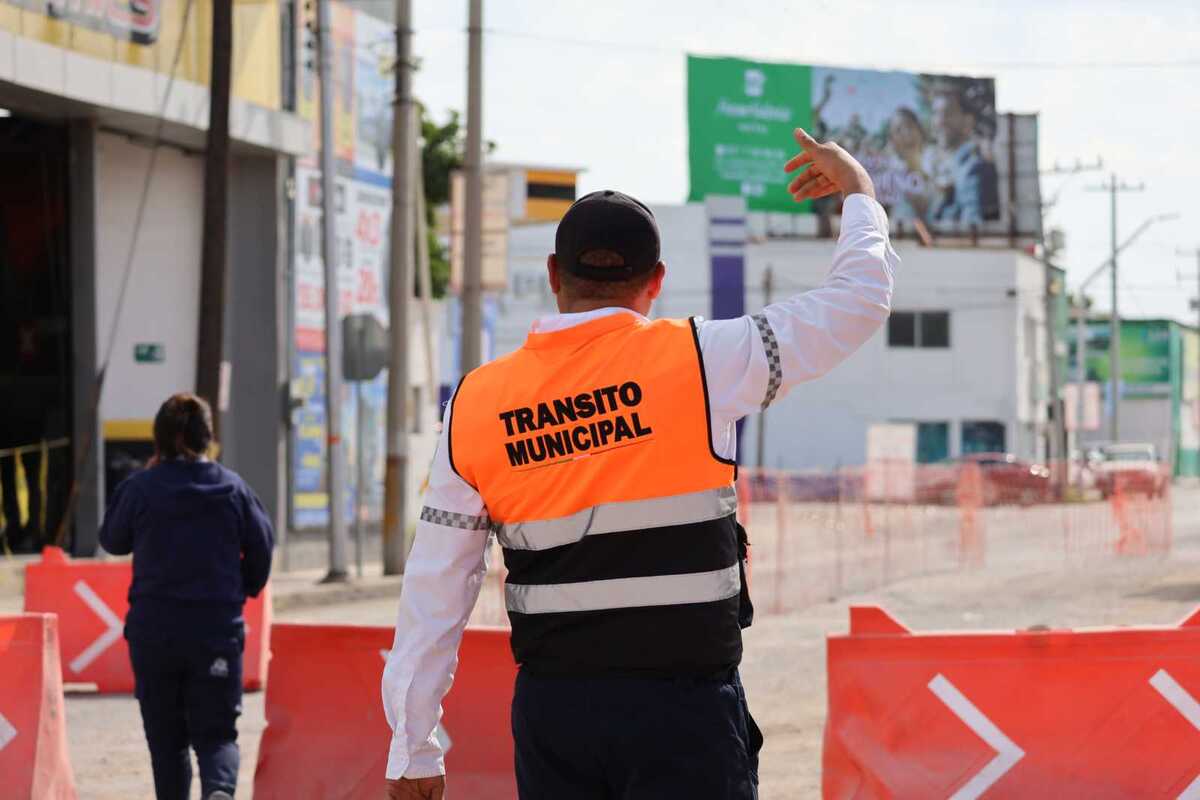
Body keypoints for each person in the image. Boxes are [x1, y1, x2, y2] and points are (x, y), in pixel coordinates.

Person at [382, 128, 898, 800]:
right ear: (656, 283)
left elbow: (435, 587)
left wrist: (413, 746)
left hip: (555, 719)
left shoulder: (477, 404)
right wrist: (859, 191)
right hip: (684, 716)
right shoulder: (704, 359)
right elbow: (858, 300)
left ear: (552, 275)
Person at [98, 393, 274, 800]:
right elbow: (263, 548)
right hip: (216, 631)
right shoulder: (233, 489)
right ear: (209, 438)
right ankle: (219, 791)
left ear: (157, 440)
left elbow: (112, 539)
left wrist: (145, 481)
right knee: (217, 736)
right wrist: (243, 587)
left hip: (154, 633)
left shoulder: (140, 488)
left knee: (167, 742)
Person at [929, 84, 999, 226]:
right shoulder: (950, 166)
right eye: (936, 113)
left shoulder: (973, 168)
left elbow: (972, 230)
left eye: (948, 114)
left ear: (968, 121)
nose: (940, 121)